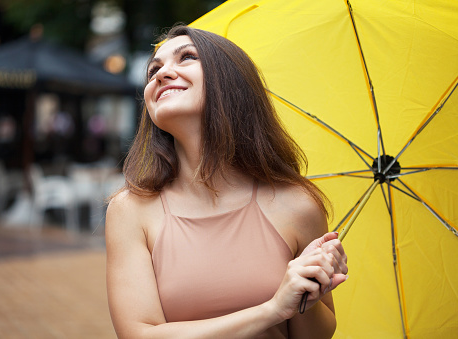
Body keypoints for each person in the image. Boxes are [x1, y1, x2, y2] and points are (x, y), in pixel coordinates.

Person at [105, 24, 348, 339]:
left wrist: (308, 288)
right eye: (154, 69)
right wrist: (273, 309)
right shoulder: (130, 210)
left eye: (187, 57)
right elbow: (139, 334)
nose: (161, 74)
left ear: (230, 80)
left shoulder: (299, 205)